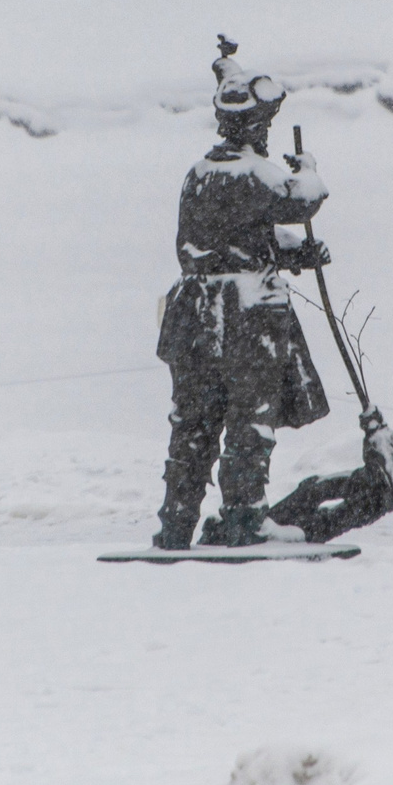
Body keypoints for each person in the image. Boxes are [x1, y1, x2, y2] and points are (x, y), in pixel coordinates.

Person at [152, 38, 332, 549]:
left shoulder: (199, 176)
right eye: (265, 126)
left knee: (193, 422)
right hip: (246, 316)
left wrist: (291, 254)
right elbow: (303, 201)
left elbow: (228, 237)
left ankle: (176, 521)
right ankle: (244, 517)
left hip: (192, 315)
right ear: (256, 127)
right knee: (249, 419)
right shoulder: (255, 172)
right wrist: (308, 166)